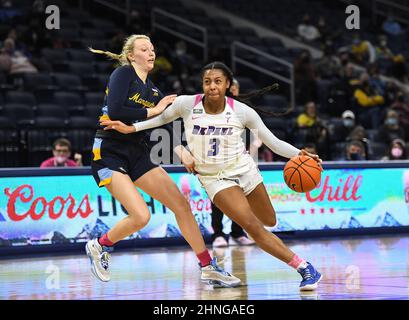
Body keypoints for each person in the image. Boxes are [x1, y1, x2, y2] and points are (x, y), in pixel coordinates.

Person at [101, 61, 323, 291]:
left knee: (269, 220)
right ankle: (305, 268)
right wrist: (131, 128)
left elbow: (273, 143)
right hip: (215, 179)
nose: (212, 86)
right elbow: (159, 120)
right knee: (253, 228)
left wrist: (301, 155)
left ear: (227, 84)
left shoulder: (242, 111)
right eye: (207, 82)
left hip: (245, 171)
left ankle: (275, 240)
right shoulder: (187, 104)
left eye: (218, 81)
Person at [85, 35, 239, 287]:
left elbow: (165, 125)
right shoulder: (123, 74)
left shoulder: (154, 90)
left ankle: (207, 266)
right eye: (144, 49)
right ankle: (99, 245)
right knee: (141, 216)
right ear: (132, 55)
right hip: (109, 153)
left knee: (181, 205)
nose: (151, 53)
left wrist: (182, 152)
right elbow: (115, 112)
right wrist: (154, 111)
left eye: (153, 49)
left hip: (138, 154)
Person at [210, 77, 255, 248]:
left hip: (239, 159)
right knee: (219, 199)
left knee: (242, 199)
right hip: (216, 159)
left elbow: (252, 134)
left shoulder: (243, 109)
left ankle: (237, 232)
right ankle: (218, 235)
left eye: (235, 87)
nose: (233, 90)